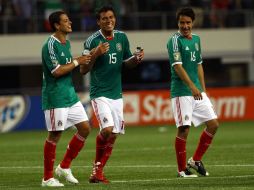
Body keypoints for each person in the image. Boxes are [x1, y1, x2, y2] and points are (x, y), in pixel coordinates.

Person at [80, 5, 144, 183]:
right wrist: (96, 54)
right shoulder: (91, 41)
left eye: (111, 17)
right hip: (99, 93)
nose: (109, 21)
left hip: (116, 93)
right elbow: (83, 70)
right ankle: (96, 169)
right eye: (105, 18)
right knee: (107, 130)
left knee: (114, 134)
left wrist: (136, 60)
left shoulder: (122, 37)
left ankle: (97, 173)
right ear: (98, 21)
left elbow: (126, 63)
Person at [41, 11, 92, 187]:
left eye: (69, 19)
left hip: (70, 95)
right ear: (56, 25)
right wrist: (78, 61)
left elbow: (68, 68)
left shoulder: (66, 43)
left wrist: (84, 60)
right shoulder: (50, 45)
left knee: (85, 129)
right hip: (55, 97)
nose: (70, 22)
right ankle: (47, 178)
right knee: (55, 135)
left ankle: (64, 166)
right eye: (65, 20)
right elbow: (56, 72)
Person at [167, 7, 219, 178]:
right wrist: (192, 87)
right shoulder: (174, 41)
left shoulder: (196, 39)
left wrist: (203, 90)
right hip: (182, 91)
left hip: (197, 90)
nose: (185, 26)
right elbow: (178, 67)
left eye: (188, 22)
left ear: (193, 23)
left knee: (213, 125)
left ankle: (195, 160)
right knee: (184, 129)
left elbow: (198, 65)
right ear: (178, 23)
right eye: (182, 22)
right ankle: (181, 169)